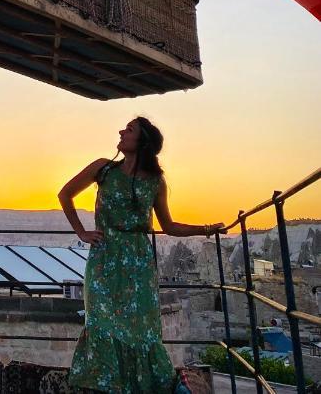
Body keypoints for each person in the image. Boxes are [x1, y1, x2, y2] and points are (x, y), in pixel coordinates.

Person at [58, 117, 226, 393]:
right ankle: (107, 386)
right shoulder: (103, 168)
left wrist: (207, 229)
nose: (121, 131)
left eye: (130, 129)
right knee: (101, 325)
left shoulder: (156, 182)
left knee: (141, 331)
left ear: (143, 141)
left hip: (138, 265)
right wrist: (81, 232)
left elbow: (169, 226)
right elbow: (65, 194)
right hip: (104, 262)